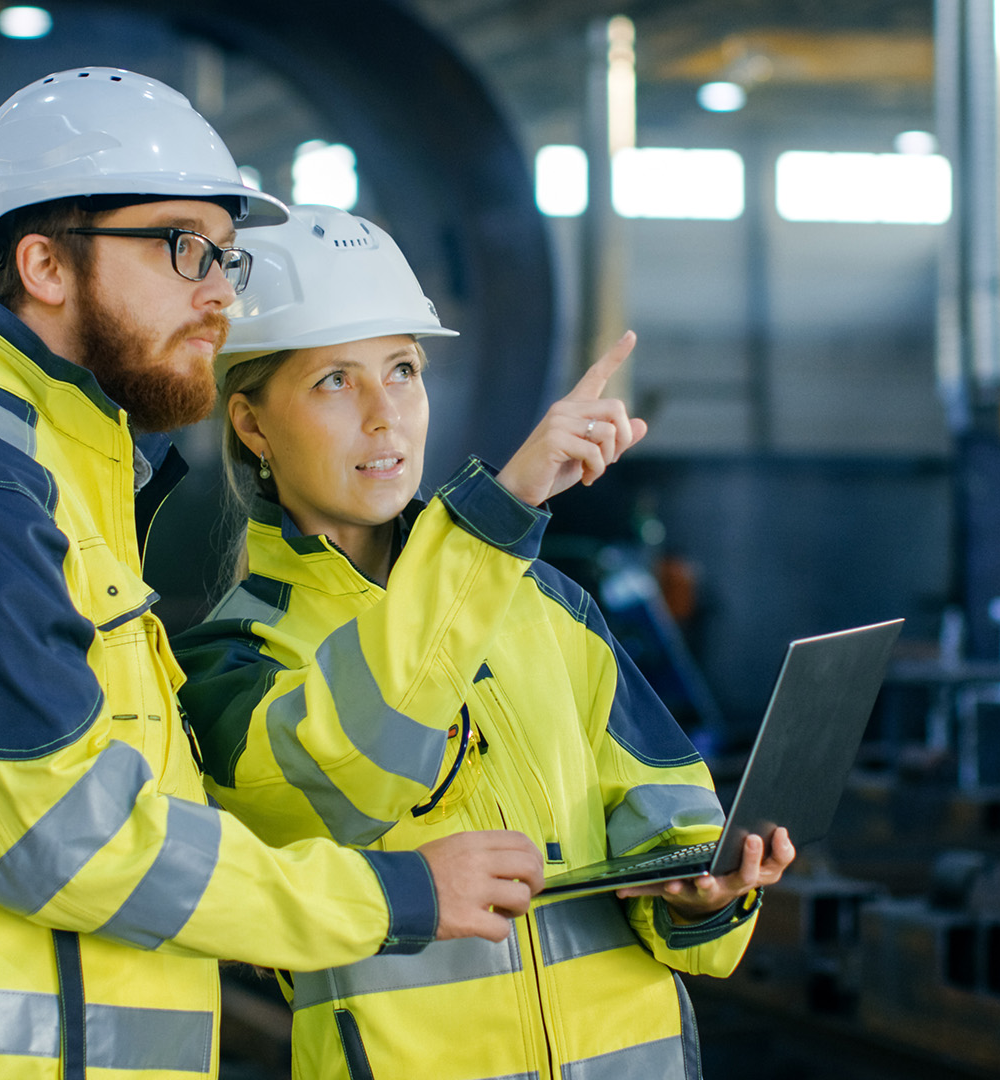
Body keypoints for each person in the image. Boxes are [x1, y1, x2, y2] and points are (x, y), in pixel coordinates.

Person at [0, 70, 544, 1080]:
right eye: (183, 247)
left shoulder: (65, 479)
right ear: (44, 264)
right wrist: (390, 896)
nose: (221, 292)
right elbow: (65, 841)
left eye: (225, 255)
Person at [171, 205, 795, 1080]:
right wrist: (503, 509)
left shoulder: (544, 603)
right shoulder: (231, 661)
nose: (386, 417)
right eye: (334, 383)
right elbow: (355, 772)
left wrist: (702, 891)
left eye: (402, 371)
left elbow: (666, 803)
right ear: (251, 425)